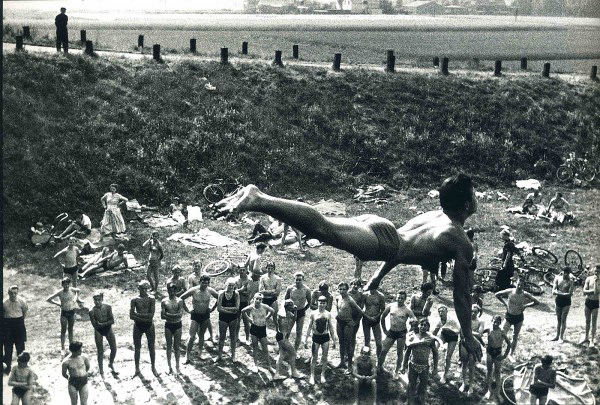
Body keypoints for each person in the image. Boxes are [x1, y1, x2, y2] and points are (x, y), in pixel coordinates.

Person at [215, 174, 482, 360]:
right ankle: (259, 199)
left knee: (324, 224)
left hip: (381, 226)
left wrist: (376, 278)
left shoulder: (436, 217)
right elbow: (462, 295)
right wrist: (468, 336)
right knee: (322, 227)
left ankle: (259, 198)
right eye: (474, 194)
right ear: (467, 204)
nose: (476, 198)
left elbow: (404, 250)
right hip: (383, 243)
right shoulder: (460, 240)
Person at [495, 277, 540, 358]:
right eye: (518, 284)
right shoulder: (510, 291)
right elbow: (497, 294)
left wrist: (526, 306)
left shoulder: (525, 294)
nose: (519, 286)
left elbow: (536, 302)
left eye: (521, 285)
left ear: (523, 286)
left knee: (515, 336)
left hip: (518, 318)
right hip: (509, 316)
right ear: (516, 283)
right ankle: (498, 351)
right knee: (502, 334)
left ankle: (511, 354)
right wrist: (505, 303)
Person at [335, 282, 373, 373]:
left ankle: (349, 366)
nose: (342, 291)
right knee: (341, 342)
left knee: (348, 344)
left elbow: (360, 310)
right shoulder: (338, 298)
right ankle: (342, 362)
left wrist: (358, 321)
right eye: (340, 289)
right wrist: (338, 315)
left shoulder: (350, 299)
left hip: (348, 323)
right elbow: (338, 308)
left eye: (344, 289)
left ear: (347, 290)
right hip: (340, 322)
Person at [181, 275, 218, 363]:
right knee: (192, 336)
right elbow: (181, 298)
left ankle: (200, 352)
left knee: (202, 335)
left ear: (208, 283)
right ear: (200, 282)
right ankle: (187, 355)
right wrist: (187, 309)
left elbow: (220, 297)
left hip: (205, 315)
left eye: (206, 283)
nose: (204, 284)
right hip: (195, 315)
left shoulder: (210, 290)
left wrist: (213, 308)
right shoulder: (194, 290)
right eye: (203, 282)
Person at [379, 290, 416, 377]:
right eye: (398, 297)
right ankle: (379, 367)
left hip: (401, 333)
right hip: (391, 331)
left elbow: (414, 319)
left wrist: (411, 328)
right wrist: (384, 330)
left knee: (399, 353)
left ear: (405, 299)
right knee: (383, 350)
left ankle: (396, 371)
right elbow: (383, 316)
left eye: (402, 298)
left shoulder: (407, 309)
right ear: (396, 297)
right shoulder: (391, 306)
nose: (399, 300)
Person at [401, 318, 439, 405]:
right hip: (413, 364)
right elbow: (407, 351)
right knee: (411, 384)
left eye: (425, 325)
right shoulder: (413, 337)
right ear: (418, 326)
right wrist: (404, 365)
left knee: (423, 386)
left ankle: (421, 400)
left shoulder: (430, 339)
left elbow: (435, 354)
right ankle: (410, 401)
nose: (422, 327)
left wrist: (435, 368)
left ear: (428, 327)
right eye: (421, 324)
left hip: (424, 366)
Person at [304, 295, 336, 385]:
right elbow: (310, 326)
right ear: (317, 303)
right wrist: (306, 339)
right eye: (320, 302)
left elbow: (330, 327)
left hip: (325, 337)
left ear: (326, 304)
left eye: (323, 303)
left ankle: (322, 375)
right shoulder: (313, 313)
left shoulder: (328, 314)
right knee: (314, 357)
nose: (321, 304)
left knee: (325, 357)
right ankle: (312, 375)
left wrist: (334, 340)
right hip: (316, 337)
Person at [241, 293, 276, 373]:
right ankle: (255, 365)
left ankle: (269, 366)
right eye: (257, 299)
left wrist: (267, 318)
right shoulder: (251, 307)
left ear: (262, 300)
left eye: (260, 299)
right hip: (254, 328)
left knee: (265, 348)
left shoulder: (264, 306)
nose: (258, 301)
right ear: (254, 299)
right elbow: (243, 311)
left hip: (262, 328)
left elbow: (272, 311)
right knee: (255, 347)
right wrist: (249, 319)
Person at [46, 277, 83, 351]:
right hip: (64, 313)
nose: (66, 286)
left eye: (68, 285)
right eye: (65, 285)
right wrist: (58, 304)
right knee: (63, 330)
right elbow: (49, 299)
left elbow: (78, 290)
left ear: (69, 284)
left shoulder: (72, 289)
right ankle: (62, 348)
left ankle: (71, 346)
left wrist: (76, 298)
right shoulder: (60, 292)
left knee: (71, 329)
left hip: (72, 311)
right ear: (62, 285)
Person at [130, 280, 158, 377]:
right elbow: (131, 316)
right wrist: (142, 317)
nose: (144, 291)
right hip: (138, 325)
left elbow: (151, 315)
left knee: (151, 347)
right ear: (139, 288)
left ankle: (153, 367)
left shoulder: (151, 299)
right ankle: (137, 369)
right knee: (137, 348)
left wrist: (138, 315)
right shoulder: (134, 299)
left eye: (146, 288)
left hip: (149, 325)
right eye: (142, 288)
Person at [482, 315, 511, 401]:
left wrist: (504, 355)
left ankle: (498, 392)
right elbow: (479, 334)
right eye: (494, 321)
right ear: (492, 321)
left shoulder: (501, 331)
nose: (495, 324)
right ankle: (489, 390)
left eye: (497, 322)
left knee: (497, 372)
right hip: (489, 352)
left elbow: (509, 344)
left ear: (500, 323)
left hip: (498, 353)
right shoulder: (488, 329)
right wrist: (482, 343)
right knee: (489, 370)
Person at [273, 299, 303, 380]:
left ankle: (277, 374)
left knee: (281, 355)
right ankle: (293, 372)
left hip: (283, 336)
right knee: (293, 353)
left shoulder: (288, 313)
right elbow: (281, 316)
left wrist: (295, 311)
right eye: (291, 306)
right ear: (286, 307)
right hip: (282, 337)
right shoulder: (282, 314)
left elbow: (294, 318)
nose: (292, 307)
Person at [187, 260, 216, 344]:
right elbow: (190, 289)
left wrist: (211, 305)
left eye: (198, 266)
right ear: (193, 267)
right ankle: (196, 336)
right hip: (195, 297)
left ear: (201, 267)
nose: (196, 268)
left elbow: (209, 288)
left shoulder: (204, 275)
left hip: (205, 298)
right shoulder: (191, 277)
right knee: (195, 320)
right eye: (195, 266)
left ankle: (211, 336)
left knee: (207, 319)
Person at [458, 304, 484, 396]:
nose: (473, 313)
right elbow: (461, 332)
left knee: (471, 365)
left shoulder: (480, 322)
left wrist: (468, 331)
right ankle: (464, 383)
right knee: (464, 363)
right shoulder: (465, 320)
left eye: (475, 312)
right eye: (471, 311)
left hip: (474, 344)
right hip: (464, 343)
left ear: (478, 312)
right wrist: (470, 333)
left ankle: (471, 385)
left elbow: (480, 334)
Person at [284, 271, 312, 355]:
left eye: (300, 280)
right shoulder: (290, 288)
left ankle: (295, 351)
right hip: (291, 311)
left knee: (299, 332)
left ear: (303, 280)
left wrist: (303, 309)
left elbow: (309, 302)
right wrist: (288, 310)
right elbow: (285, 300)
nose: (298, 281)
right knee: (287, 331)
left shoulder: (306, 290)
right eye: (296, 280)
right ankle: (284, 349)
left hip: (301, 312)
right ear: (294, 280)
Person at [88, 293, 117, 375]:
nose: (97, 302)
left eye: (99, 300)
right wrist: (103, 324)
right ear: (93, 300)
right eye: (95, 300)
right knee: (100, 351)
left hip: (108, 329)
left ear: (102, 299)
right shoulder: (91, 311)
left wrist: (102, 324)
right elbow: (95, 326)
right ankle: (101, 370)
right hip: (98, 331)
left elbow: (112, 321)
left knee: (114, 348)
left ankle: (111, 363)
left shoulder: (108, 307)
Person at [161, 282, 186, 375]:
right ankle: (169, 366)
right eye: (170, 291)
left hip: (177, 325)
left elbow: (180, 315)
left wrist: (168, 315)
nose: (172, 293)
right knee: (168, 346)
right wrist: (173, 316)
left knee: (177, 347)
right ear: (168, 291)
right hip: (168, 325)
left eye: (173, 291)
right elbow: (162, 316)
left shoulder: (179, 301)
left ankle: (177, 366)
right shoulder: (164, 301)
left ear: (176, 291)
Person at [3, 285, 28, 375]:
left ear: (17, 293)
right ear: (8, 293)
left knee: (20, 348)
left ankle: (22, 368)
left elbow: (25, 312)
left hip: (19, 325)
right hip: (8, 327)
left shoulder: (22, 301)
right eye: (12, 293)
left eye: (15, 293)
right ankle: (7, 369)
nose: (13, 295)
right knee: (8, 349)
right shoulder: (4, 303)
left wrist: (19, 322)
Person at [432, 305, 460, 383]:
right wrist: (430, 341)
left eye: (443, 312)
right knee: (435, 350)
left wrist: (451, 330)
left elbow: (459, 330)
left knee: (447, 357)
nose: (441, 313)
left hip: (453, 337)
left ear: (446, 312)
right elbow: (434, 333)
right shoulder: (439, 321)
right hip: (444, 335)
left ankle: (444, 374)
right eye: (439, 312)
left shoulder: (452, 320)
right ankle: (434, 369)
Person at [216, 278, 240, 363]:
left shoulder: (236, 294)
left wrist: (225, 309)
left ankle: (233, 355)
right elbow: (218, 308)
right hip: (223, 318)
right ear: (226, 284)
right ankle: (219, 355)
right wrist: (230, 310)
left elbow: (237, 308)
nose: (231, 287)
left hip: (233, 318)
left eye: (233, 285)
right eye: (229, 285)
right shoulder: (221, 293)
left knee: (233, 336)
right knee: (222, 336)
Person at [362, 284, 386, 359]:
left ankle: (379, 359)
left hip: (376, 320)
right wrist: (367, 316)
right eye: (371, 287)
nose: (372, 289)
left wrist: (376, 317)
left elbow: (382, 309)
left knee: (379, 342)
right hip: (366, 319)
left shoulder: (380, 296)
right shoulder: (365, 295)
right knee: (367, 341)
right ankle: (367, 358)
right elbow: (361, 308)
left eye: (374, 287)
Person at [551, 266, 575, 342]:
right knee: (558, 319)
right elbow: (553, 291)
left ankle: (561, 337)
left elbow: (570, 294)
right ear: (563, 273)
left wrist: (560, 293)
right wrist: (564, 293)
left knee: (563, 319)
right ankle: (557, 335)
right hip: (558, 301)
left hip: (566, 302)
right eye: (565, 274)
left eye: (568, 274)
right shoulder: (558, 278)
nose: (566, 276)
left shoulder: (570, 281)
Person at [580, 265, 600, 347]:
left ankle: (592, 339)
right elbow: (584, 291)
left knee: (594, 322)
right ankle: (586, 337)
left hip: (595, 302)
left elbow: (597, 292)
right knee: (587, 321)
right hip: (588, 301)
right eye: (595, 271)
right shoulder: (589, 278)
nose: (596, 273)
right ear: (593, 271)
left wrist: (596, 282)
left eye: (598, 271)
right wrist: (591, 291)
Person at [234, 265, 252, 344]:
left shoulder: (249, 280)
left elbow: (248, 293)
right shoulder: (236, 279)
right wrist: (241, 289)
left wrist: (239, 291)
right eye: (240, 270)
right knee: (237, 320)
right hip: (237, 302)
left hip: (246, 302)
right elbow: (233, 292)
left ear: (246, 270)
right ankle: (236, 337)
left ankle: (247, 338)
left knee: (246, 320)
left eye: (243, 270)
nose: (241, 271)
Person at [349, 279, 366, 353]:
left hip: (355, 317)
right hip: (347, 317)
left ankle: (351, 354)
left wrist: (356, 321)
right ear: (351, 285)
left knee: (353, 336)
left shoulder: (361, 295)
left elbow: (361, 309)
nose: (355, 286)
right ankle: (345, 354)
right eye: (354, 284)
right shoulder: (347, 294)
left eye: (357, 285)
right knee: (345, 337)